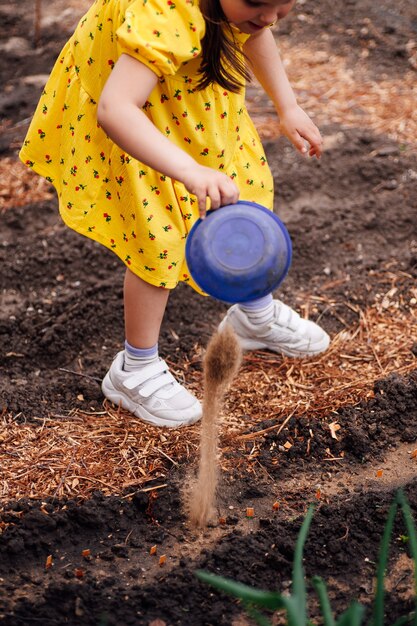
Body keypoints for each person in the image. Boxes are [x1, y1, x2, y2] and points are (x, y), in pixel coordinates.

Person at [20, 0, 330, 429]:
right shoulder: (165, 11)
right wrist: (187, 169)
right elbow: (117, 109)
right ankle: (135, 368)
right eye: (259, 3)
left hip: (194, 105)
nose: (272, 16)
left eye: (284, 5)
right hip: (139, 120)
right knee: (159, 235)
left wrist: (288, 104)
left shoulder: (243, 8)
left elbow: (255, 30)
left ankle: (253, 315)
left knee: (244, 192)